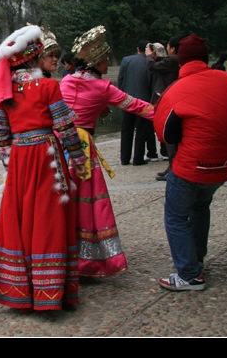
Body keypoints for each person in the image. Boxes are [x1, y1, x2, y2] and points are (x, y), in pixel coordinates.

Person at [0, 24, 88, 311]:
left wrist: (10, 162)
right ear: (34, 57)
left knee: (20, 218)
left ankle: (18, 289)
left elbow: (0, 133)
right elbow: (66, 128)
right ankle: (49, 291)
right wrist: (78, 161)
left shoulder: (6, 90)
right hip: (46, 157)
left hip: (20, 158)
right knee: (48, 217)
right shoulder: (48, 86)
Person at [153, 33, 227, 291]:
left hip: (190, 165)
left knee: (175, 215)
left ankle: (188, 274)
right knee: (201, 207)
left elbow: (164, 133)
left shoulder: (177, 90)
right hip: (222, 166)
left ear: (180, 60)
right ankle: (197, 259)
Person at [60, 25, 155, 278]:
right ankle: (87, 259)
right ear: (97, 62)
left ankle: (56, 253)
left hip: (58, 143)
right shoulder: (103, 88)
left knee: (60, 199)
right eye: (105, 60)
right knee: (86, 203)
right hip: (81, 145)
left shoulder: (67, 80)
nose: (107, 64)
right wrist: (166, 112)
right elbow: (135, 105)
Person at [146, 36, 183, 181]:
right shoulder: (175, 60)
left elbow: (152, 67)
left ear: (172, 48)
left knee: (169, 133)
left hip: (167, 99)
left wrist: (149, 55)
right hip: (173, 97)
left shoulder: (173, 60)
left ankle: (173, 168)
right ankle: (171, 167)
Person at [117, 40, 156, 165]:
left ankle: (124, 158)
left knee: (126, 129)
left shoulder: (126, 60)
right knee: (141, 130)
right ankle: (138, 158)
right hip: (144, 100)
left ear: (138, 49)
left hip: (127, 99)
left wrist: (121, 97)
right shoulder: (150, 62)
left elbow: (120, 80)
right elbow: (152, 83)